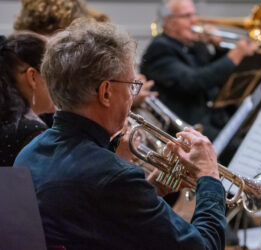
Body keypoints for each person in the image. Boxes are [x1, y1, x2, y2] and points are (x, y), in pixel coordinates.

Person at [13, 19, 226, 249]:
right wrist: (209, 177)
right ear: (105, 93)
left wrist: (152, 190)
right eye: (131, 86)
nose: (132, 96)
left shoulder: (29, 154)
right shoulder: (113, 178)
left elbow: (95, 218)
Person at [140, 0, 258, 140]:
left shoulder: (195, 45)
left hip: (215, 118)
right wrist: (233, 57)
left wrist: (219, 49)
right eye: (187, 16)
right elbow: (193, 81)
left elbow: (218, 78)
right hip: (189, 128)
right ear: (169, 22)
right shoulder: (159, 49)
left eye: (194, 14)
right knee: (238, 146)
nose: (194, 20)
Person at [0, 32, 54, 166]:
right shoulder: (29, 131)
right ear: (33, 77)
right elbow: (25, 187)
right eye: (53, 75)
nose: (58, 85)